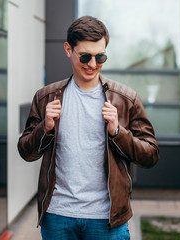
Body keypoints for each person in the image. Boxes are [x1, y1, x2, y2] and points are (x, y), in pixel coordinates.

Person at [17, 16, 159, 240]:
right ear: (68, 49)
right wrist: (45, 127)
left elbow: (150, 155)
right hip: (57, 217)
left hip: (107, 219)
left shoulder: (126, 99)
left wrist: (117, 132)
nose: (93, 64)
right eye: (85, 56)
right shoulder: (45, 98)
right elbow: (26, 152)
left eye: (100, 56)